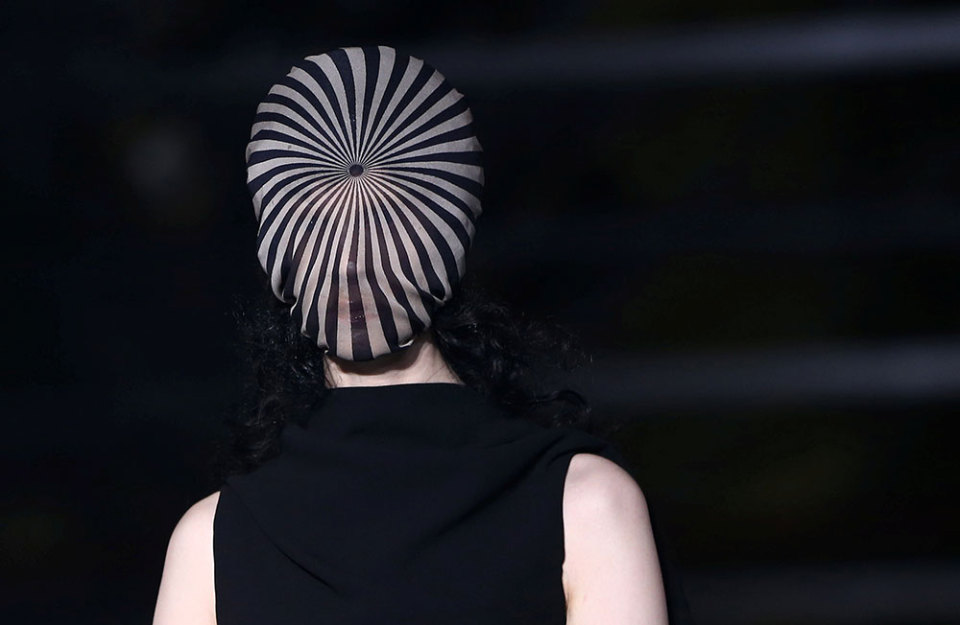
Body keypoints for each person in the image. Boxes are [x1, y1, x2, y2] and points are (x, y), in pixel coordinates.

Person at [152, 45, 676, 625]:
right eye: (318, 221)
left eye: (386, 219)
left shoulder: (215, 540)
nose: (350, 259)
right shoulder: (583, 506)